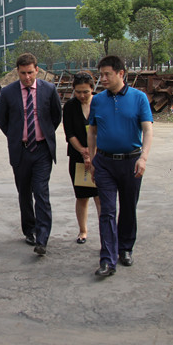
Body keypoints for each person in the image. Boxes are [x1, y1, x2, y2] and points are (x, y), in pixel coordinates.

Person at [87, 55, 154, 277]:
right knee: (107, 211)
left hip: (131, 162)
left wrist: (143, 158)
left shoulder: (139, 98)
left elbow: (147, 130)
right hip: (104, 163)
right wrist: (93, 159)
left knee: (128, 208)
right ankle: (107, 259)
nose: (103, 79)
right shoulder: (97, 100)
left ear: (121, 73)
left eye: (107, 74)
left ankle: (125, 248)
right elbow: (92, 132)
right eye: (101, 75)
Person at [0, 53, 62, 256]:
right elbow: (2, 120)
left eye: (31, 73)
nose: (27, 77)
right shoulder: (8, 92)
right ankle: (30, 230)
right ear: (18, 71)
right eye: (23, 73)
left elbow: (55, 116)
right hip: (21, 151)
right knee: (24, 193)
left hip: (42, 150)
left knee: (41, 192)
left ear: (37, 70)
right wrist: (17, 137)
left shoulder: (49, 89)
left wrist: (43, 134)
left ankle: (42, 238)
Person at [62, 73, 101, 245]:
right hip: (78, 157)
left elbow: (105, 130)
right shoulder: (70, 106)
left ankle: (105, 233)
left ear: (92, 88)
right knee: (82, 196)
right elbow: (69, 133)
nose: (82, 95)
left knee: (100, 197)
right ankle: (83, 231)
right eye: (78, 92)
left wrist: (94, 153)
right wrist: (84, 152)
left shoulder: (101, 103)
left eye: (86, 91)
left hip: (100, 156)